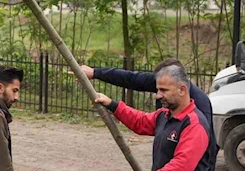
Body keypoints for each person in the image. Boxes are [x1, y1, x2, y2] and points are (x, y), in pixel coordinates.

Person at [76, 58, 216, 151]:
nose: (158, 94)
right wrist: (95, 73)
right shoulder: (164, 87)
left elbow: (205, 151)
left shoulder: (200, 108)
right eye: (157, 88)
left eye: (163, 90)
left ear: (180, 87)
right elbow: (130, 78)